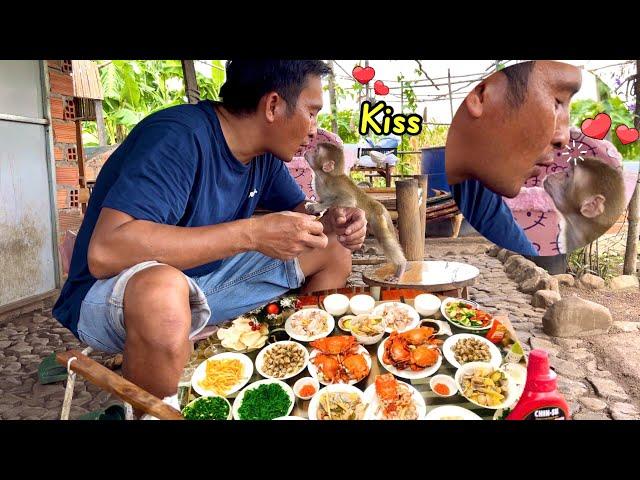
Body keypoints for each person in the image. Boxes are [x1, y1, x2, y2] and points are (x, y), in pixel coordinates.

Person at [52, 60, 367, 402]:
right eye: (312, 111)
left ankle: (297, 370)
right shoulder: (177, 138)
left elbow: (300, 215)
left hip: (204, 285)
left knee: (331, 245)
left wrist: (331, 221)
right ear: (273, 105)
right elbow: (105, 253)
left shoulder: (264, 156)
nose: (313, 129)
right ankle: (163, 410)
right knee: (164, 289)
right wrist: (252, 233)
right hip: (114, 299)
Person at [445, 60, 582, 255]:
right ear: (480, 96)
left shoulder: (477, 193)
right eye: (557, 102)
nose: (564, 138)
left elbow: (526, 256)